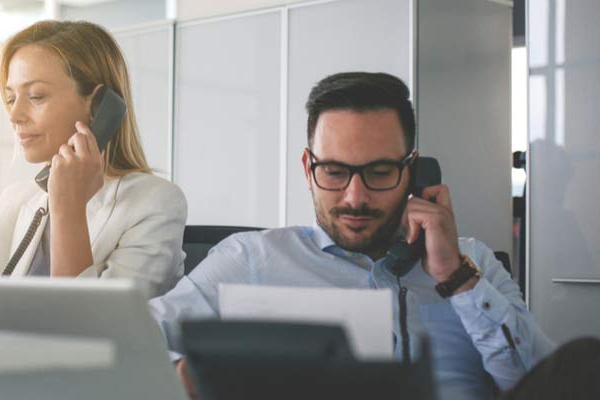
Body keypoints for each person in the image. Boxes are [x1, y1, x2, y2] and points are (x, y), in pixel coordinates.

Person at [148, 72, 554, 399]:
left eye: (379, 172)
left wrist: (455, 278)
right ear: (309, 168)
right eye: (335, 172)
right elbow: (134, 343)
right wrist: (185, 376)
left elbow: (542, 386)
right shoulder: (251, 259)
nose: (355, 198)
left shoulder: (474, 266)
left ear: (412, 171)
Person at [0, 21, 187, 298]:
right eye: (10, 98)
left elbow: (90, 327)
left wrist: (68, 208)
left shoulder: (154, 204)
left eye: (36, 96)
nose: (14, 115)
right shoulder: (9, 204)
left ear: (99, 105)